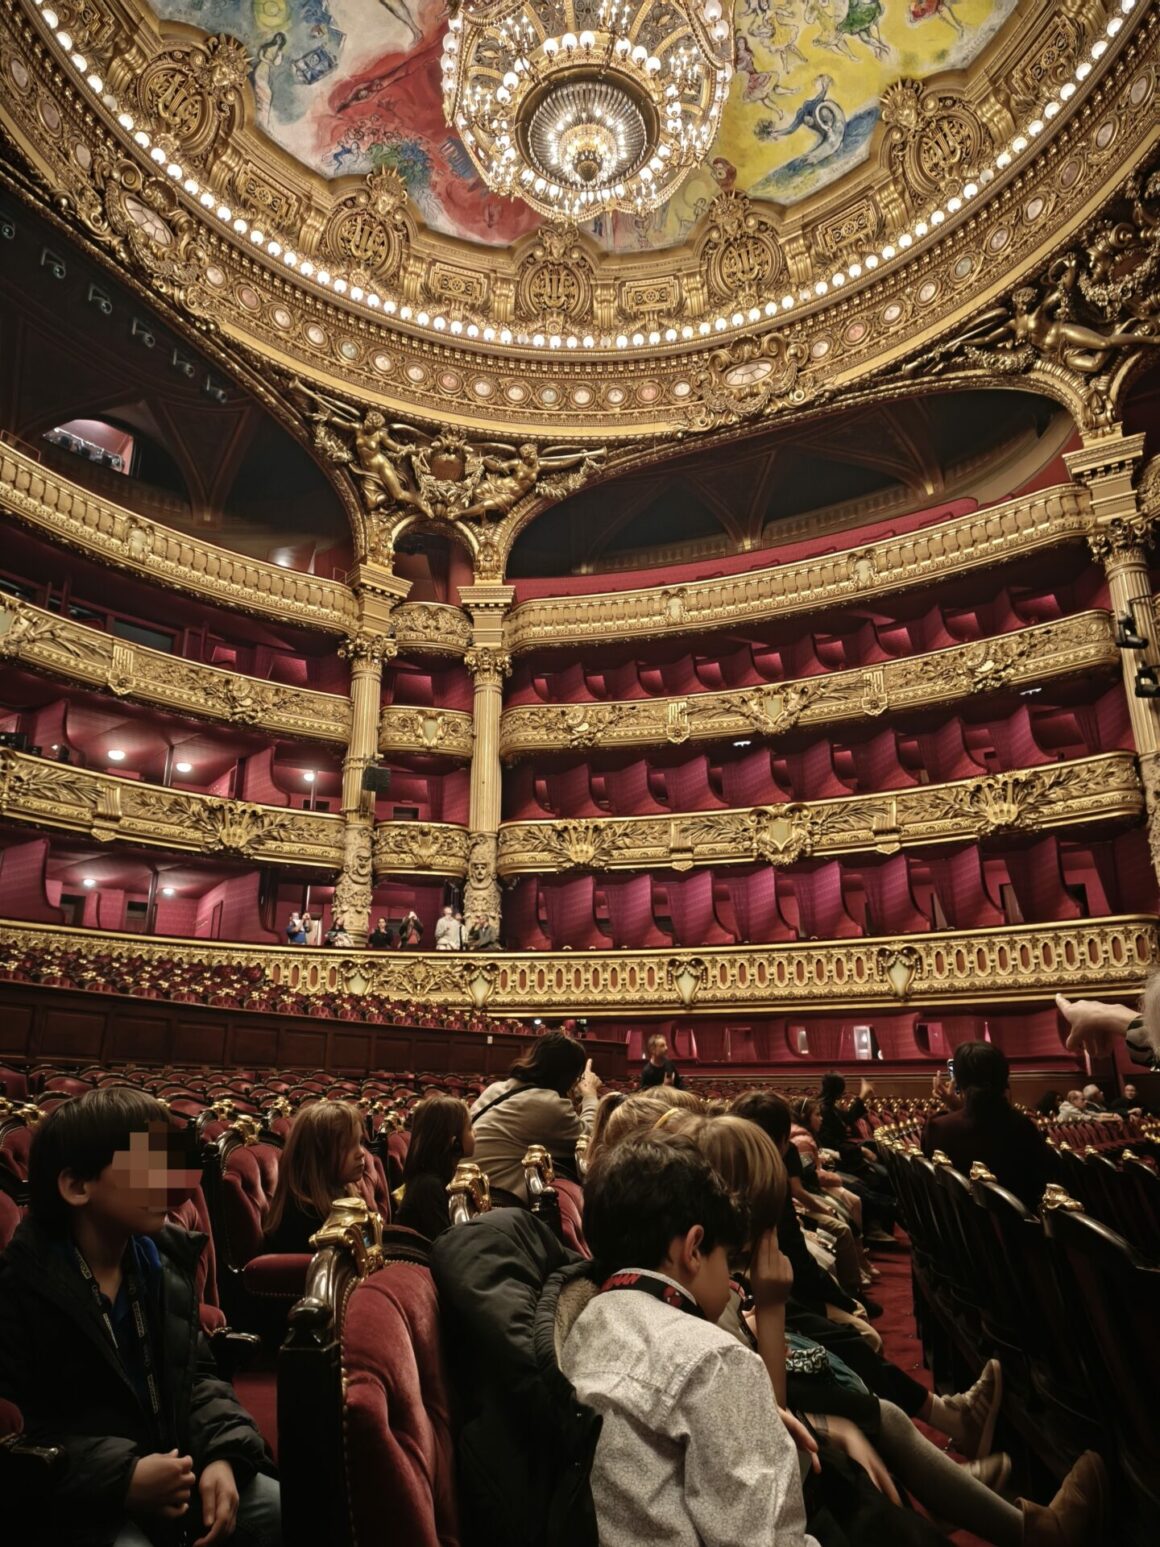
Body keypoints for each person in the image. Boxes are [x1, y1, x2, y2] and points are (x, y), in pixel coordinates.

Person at [0, 1087, 280, 1546]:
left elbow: (199, 1379)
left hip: (180, 1469)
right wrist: (125, 1478)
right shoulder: (21, 1287)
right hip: (81, 1504)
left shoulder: (162, 1264)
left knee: (287, 1511)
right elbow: (22, 1443)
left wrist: (223, 1457)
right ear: (76, 1186)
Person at [559, 1131, 820, 1547]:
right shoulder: (714, 1358)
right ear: (695, 1248)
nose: (733, 1278)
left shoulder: (585, 1321)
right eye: (729, 1261)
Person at [470, 1032, 600, 1202]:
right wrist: (589, 1095)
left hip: (468, 1190)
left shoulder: (496, 1088)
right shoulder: (547, 1104)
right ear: (568, 1076)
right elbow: (589, 1140)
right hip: (496, 1199)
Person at [921, 1043, 1051, 1213]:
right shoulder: (1024, 1127)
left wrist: (957, 1108)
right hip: (1021, 1232)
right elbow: (1042, 1183)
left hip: (959, 1230)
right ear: (1005, 1079)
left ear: (959, 1082)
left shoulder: (937, 1127)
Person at [263, 1101, 371, 1254]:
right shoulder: (304, 1217)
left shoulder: (342, 1194)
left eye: (360, 1142)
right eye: (347, 1146)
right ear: (318, 1156)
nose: (361, 1153)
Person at [395, 1095, 473, 1240]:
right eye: (469, 1128)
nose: (475, 1133)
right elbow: (448, 1241)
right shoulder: (428, 1187)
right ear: (453, 1142)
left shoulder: (444, 1177)